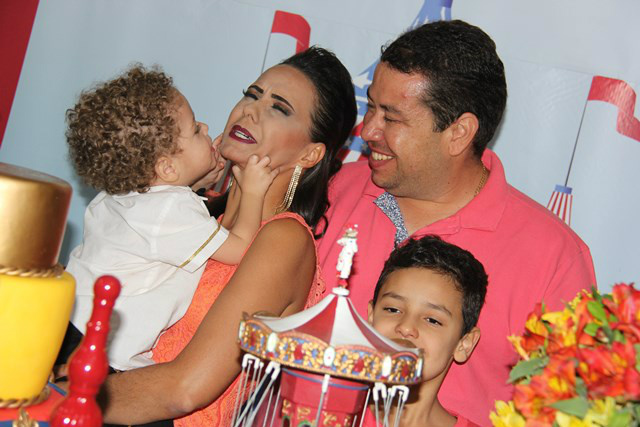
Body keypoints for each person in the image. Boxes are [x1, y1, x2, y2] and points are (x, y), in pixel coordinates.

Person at [317, 20, 596, 426]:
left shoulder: (554, 258)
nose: (368, 130)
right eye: (371, 106)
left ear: (459, 133)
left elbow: (573, 413)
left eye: (392, 117)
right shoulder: (336, 187)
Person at [92, 46, 357, 426]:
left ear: (310, 155)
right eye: (252, 94)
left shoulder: (284, 239)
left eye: (278, 108)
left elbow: (186, 388)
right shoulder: (192, 213)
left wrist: (66, 396)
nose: (250, 111)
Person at [64, 65, 278, 371]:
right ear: (167, 169)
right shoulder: (172, 210)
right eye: (195, 130)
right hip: (101, 352)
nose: (205, 126)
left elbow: (160, 219)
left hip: (68, 322)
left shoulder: (117, 197)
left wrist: (194, 183)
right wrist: (253, 191)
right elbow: (240, 249)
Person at [365, 235, 487, 427]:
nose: (406, 327)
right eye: (393, 309)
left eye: (432, 320)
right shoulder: (325, 410)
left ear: (464, 344)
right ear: (371, 318)